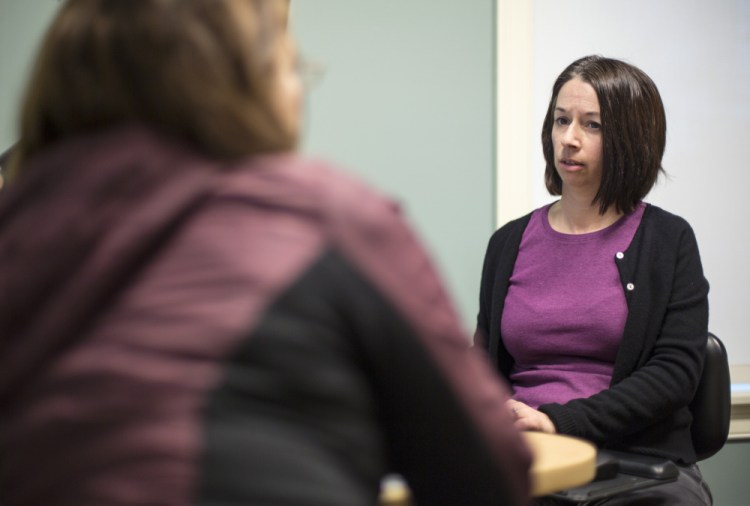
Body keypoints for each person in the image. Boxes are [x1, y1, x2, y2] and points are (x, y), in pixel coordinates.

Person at [0, 1, 532, 505]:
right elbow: (489, 471)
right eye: (292, 66)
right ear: (247, 84)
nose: (300, 90)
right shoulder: (326, 217)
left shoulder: (17, 228)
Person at [475, 55, 712, 505]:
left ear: (630, 138)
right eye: (561, 120)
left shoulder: (668, 240)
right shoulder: (508, 243)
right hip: (525, 456)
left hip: (636, 460)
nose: (569, 139)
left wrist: (558, 421)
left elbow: (674, 374)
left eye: (592, 125)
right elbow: (484, 362)